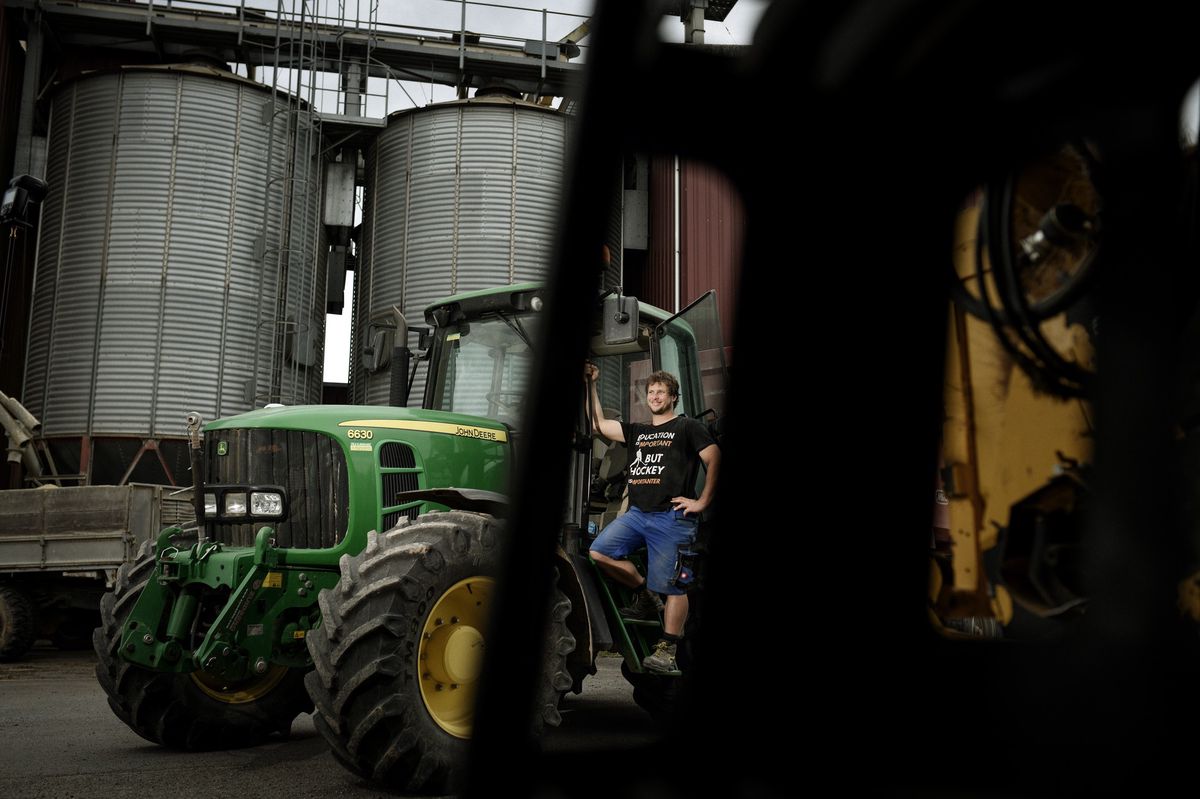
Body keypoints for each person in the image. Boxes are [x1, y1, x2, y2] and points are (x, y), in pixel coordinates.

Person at [585, 362, 720, 674]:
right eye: (651, 392)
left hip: (670, 519)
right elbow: (598, 424)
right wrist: (591, 384)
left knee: (675, 586)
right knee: (598, 552)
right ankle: (645, 592)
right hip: (637, 515)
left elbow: (714, 458)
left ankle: (668, 650)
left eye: (661, 392)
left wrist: (702, 501)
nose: (655, 396)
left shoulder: (686, 427)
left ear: (673, 397)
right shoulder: (638, 431)